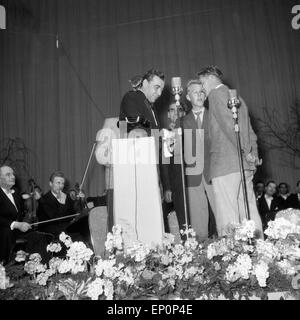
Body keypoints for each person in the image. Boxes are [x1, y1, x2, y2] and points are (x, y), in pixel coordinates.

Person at [197, 66, 263, 238]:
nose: (202, 88)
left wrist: (245, 152)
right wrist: (252, 155)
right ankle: (259, 250)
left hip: (226, 165)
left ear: (211, 78)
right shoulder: (237, 97)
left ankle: (232, 257)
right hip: (243, 166)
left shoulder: (216, 95)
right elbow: (249, 131)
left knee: (228, 214)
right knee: (248, 212)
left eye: (202, 82)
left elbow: (229, 126)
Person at [181, 80, 217, 241]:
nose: (200, 95)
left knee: (222, 212)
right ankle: (201, 249)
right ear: (188, 97)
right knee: (197, 216)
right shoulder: (182, 121)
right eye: (195, 92)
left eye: (202, 92)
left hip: (214, 171)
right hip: (192, 173)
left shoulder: (215, 116)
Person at [160, 101, 186, 236]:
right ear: (168, 114)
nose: (175, 113)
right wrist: (167, 187)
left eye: (179, 110)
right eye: (171, 110)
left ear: (184, 113)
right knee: (182, 220)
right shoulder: (167, 135)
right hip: (176, 185)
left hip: (193, 183)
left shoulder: (191, 130)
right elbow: (164, 164)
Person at [0, 165, 31, 264]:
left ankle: (37, 268)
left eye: (13, 174)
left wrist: (25, 222)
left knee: (37, 237)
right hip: (3, 229)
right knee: (7, 234)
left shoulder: (16, 192)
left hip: (16, 229)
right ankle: (6, 268)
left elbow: (20, 213)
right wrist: (15, 224)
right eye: (8, 175)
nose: (13, 176)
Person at [119, 68, 165, 135]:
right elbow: (137, 129)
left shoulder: (150, 105)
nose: (159, 93)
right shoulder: (132, 97)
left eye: (161, 89)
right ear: (145, 83)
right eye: (156, 87)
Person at [37, 171, 82, 238]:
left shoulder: (67, 197)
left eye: (62, 183)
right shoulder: (44, 200)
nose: (60, 186)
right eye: (58, 183)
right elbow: (57, 218)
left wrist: (79, 201)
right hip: (49, 235)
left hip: (64, 231)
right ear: (50, 184)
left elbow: (73, 215)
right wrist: (63, 201)